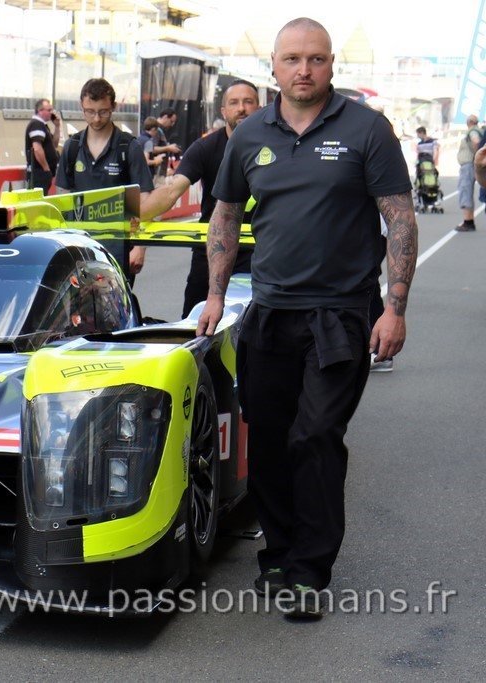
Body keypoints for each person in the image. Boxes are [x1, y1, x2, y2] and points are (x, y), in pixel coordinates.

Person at [197, 17, 417, 620]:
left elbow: (399, 217)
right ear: (273, 67)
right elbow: (224, 215)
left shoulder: (367, 129)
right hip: (269, 312)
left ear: (331, 65)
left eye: (316, 59)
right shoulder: (250, 135)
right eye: (292, 59)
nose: (304, 69)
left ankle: (309, 572)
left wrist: (394, 308)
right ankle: (281, 550)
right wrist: (215, 295)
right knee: (268, 438)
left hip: (341, 314)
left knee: (315, 435)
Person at [140, 80, 260, 317]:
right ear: (223, 111)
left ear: (259, 107)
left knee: (254, 327)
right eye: (234, 103)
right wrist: (136, 214)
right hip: (211, 252)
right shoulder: (205, 147)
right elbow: (172, 191)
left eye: (248, 102)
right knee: (195, 326)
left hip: (259, 254)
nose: (241, 108)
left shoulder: (276, 146)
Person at [54, 78, 153, 284]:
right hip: (79, 248)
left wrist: (140, 247)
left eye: (103, 112)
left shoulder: (128, 147)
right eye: (90, 112)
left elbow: (145, 199)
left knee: (115, 304)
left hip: (119, 250)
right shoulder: (72, 147)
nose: (97, 118)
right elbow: (61, 198)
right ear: (82, 106)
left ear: (113, 107)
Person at [24, 98, 61, 193]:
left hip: (43, 173)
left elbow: (54, 144)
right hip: (39, 173)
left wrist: (57, 127)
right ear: (40, 111)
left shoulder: (43, 126)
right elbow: (37, 148)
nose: (51, 113)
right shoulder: (36, 125)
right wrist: (46, 169)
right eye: (49, 110)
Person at [455, 115, 481, 232]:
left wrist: (477, 156)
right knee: (467, 192)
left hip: (468, 165)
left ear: (469, 122)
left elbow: (476, 142)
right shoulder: (479, 131)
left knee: (465, 191)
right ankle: (469, 220)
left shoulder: (473, 131)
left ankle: (468, 221)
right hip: (471, 164)